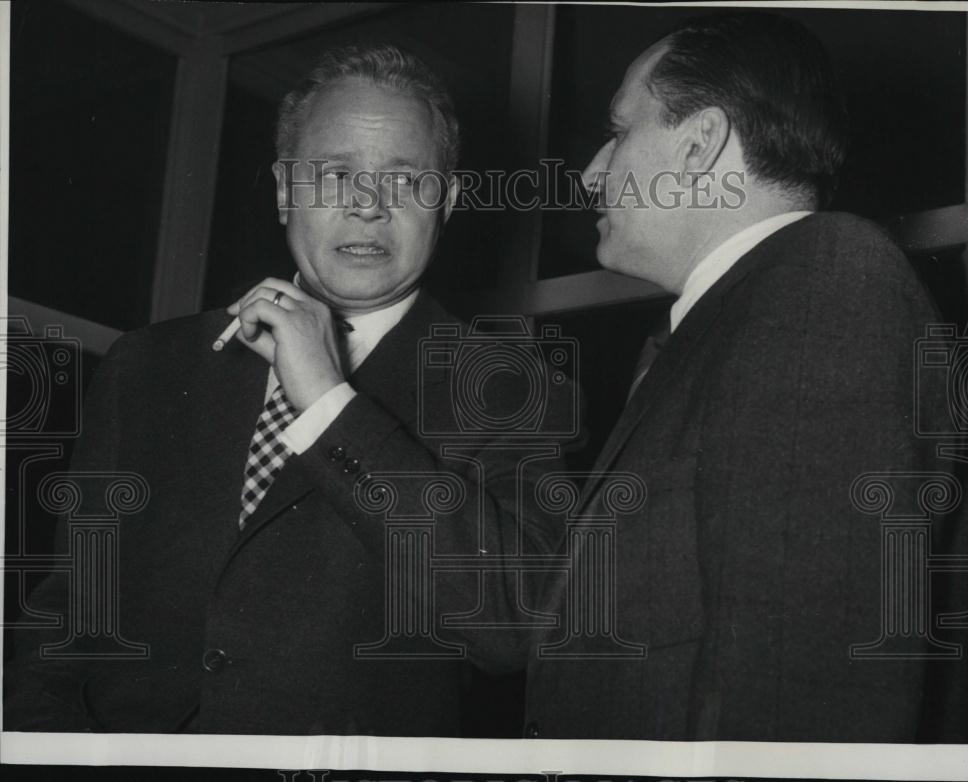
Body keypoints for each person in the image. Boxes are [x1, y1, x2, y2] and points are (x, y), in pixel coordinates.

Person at [5, 43, 573, 736]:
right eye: (336, 175)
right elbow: (69, 608)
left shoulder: (511, 385)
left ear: (446, 202)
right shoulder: (148, 366)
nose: (368, 208)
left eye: (405, 181)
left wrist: (331, 405)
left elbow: (515, 627)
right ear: (283, 190)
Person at [522, 12, 956, 741]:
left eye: (619, 132)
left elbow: (803, 694)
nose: (593, 172)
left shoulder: (825, 282)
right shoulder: (731, 322)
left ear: (700, 143)